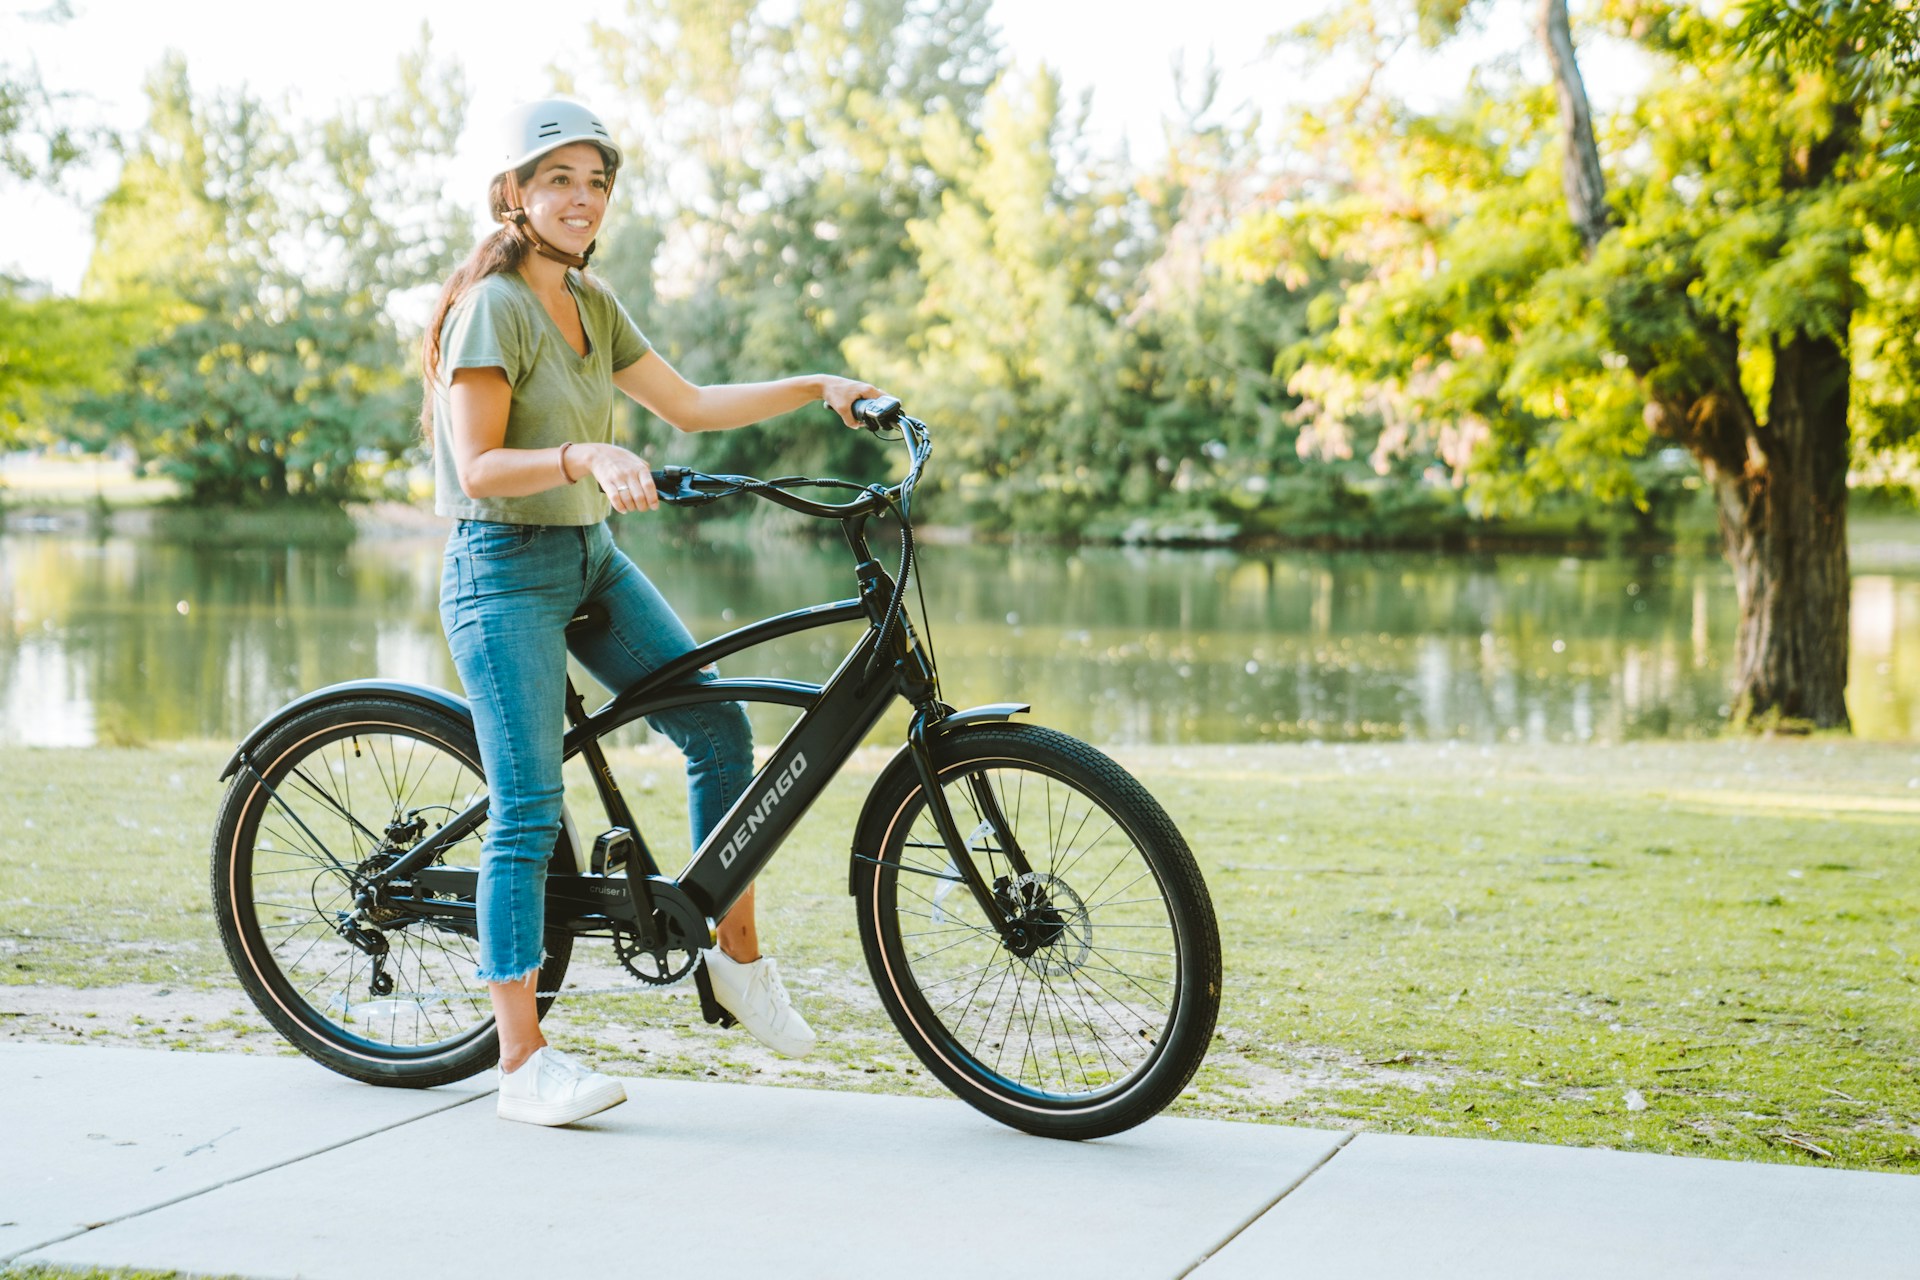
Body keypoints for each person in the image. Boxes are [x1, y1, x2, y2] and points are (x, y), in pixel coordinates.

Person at [420, 99, 882, 1127]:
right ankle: (519, 1062)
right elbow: (478, 466)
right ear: (514, 194)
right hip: (502, 569)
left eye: (596, 182)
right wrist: (585, 452)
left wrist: (818, 385)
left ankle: (734, 958)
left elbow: (692, 404)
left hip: (589, 557)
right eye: (559, 180)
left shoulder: (592, 300)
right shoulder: (493, 307)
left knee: (718, 726)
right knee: (529, 811)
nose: (582, 199)